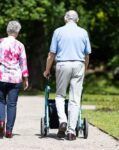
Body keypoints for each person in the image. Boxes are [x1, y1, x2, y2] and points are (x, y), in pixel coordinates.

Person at [43, 10, 91, 140]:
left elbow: (51, 54)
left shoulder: (58, 32)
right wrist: (84, 70)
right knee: (75, 98)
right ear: (78, 19)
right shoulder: (83, 32)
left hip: (63, 64)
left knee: (60, 95)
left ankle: (62, 121)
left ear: (65, 19)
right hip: (79, 65)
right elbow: (87, 55)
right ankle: (71, 132)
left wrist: (47, 70)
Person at [0, 20, 29, 138]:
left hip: (1, 76)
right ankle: (9, 131)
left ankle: (1, 121)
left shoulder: (0, 42)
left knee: (0, 101)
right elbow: (23, 63)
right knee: (12, 104)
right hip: (15, 78)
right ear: (17, 32)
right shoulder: (20, 45)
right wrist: (26, 78)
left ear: (8, 30)